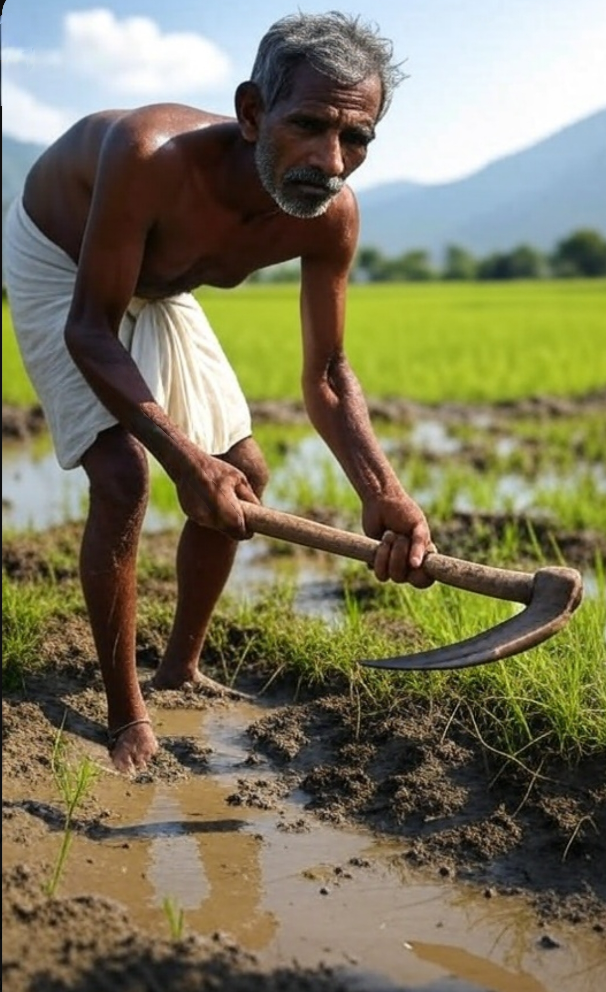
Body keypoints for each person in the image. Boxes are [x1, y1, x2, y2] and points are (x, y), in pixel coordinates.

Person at [4, 11, 435, 775]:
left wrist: (383, 490)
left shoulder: (329, 213)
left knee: (248, 473)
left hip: (159, 284)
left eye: (357, 139)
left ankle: (179, 668)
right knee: (125, 474)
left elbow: (329, 372)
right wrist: (181, 460)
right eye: (309, 125)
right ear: (250, 113)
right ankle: (125, 711)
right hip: (62, 263)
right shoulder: (152, 158)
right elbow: (90, 331)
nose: (331, 160)